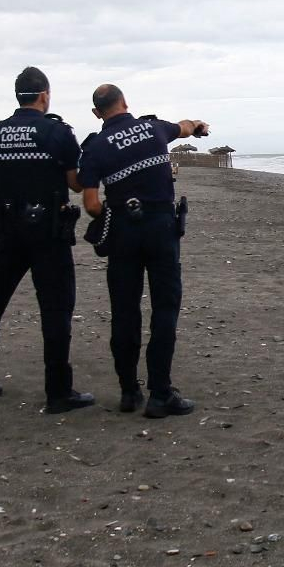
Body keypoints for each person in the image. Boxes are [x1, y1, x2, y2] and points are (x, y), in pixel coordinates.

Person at [0, 67, 95, 413]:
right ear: (45, 95)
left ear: (17, 95)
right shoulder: (57, 132)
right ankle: (58, 391)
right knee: (55, 308)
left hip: (8, 228)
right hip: (48, 231)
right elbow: (76, 184)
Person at [78, 83, 208, 418]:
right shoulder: (153, 128)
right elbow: (185, 127)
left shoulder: (95, 148)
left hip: (123, 233)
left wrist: (113, 212)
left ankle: (128, 392)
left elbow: (90, 203)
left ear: (97, 113)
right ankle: (160, 394)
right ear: (125, 103)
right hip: (161, 230)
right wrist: (198, 126)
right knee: (164, 310)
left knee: (124, 312)